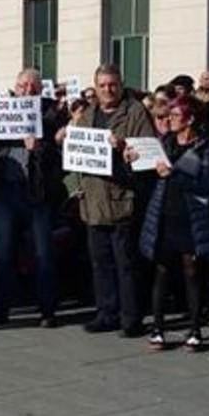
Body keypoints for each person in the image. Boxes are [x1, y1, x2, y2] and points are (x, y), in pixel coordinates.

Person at [0, 68, 66, 328]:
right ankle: (1, 307)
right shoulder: (1, 111)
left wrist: (40, 149)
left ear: (40, 90)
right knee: (2, 254)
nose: (27, 90)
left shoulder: (51, 115)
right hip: (5, 191)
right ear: (15, 88)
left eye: (32, 87)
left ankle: (47, 309)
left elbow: (61, 161)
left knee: (43, 253)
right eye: (22, 86)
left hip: (36, 193)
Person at [70, 65, 154, 336]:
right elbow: (75, 157)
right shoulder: (87, 115)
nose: (108, 90)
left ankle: (131, 319)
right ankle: (106, 313)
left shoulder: (135, 112)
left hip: (122, 199)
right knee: (100, 262)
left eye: (113, 85)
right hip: (93, 200)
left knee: (126, 263)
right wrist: (75, 187)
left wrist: (124, 149)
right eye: (103, 85)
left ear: (121, 84)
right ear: (95, 87)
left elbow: (147, 153)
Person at [136, 96, 209, 350]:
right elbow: (146, 170)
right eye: (167, 116)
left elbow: (206, 183)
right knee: (162, 271)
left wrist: (174, 174)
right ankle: (158, 328)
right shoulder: (165, 142)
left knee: (192, 271)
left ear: (190, 119)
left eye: (175, 116)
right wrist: (134, 159)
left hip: (192, 216)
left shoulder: (206, 146)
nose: (169, 120)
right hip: (164, 212)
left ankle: (195, 328)